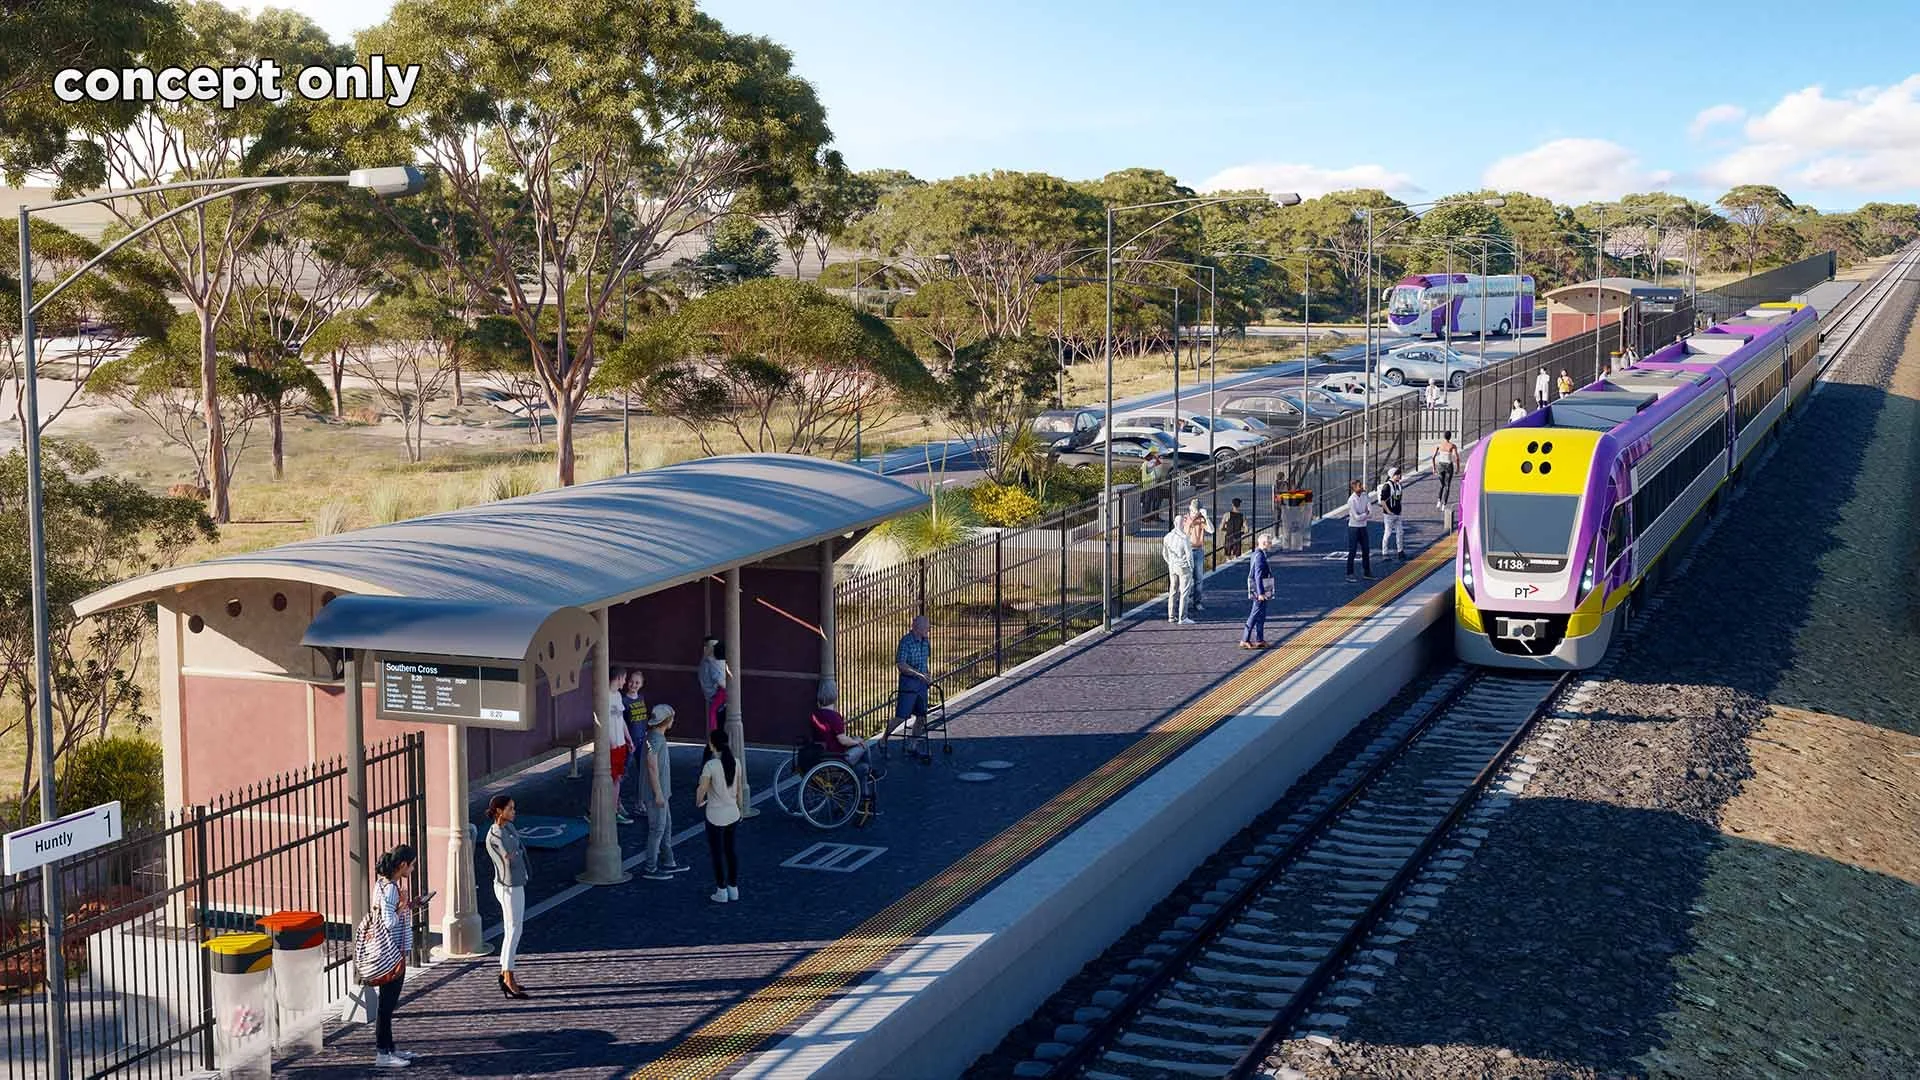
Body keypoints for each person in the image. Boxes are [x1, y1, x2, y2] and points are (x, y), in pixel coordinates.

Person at [370, 844, 425, 1068]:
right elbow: (389, 921)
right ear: (402, 865)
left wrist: (407, 904)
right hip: (391, 953)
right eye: (411, 866)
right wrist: (403, 905)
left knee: (387, 1004)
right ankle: (383, 1053)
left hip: (386, 951)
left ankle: (390, 1048)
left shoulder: (381, 884)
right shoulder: (391, 888)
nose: (412, 869)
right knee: (386, 1005)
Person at [484, 796, 530, 999]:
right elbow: (509, 856)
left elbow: (516, 852)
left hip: (516, 882)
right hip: (508, 886)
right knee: (513, 931)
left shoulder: (508, 829)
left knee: (513, 929)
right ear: (499, 811)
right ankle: (508, 976)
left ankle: (505, 972)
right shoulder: (495, 835)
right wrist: (514, 853)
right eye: (510, 809)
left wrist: (515, 853)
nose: (514, 812)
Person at [638, 704, 689, 881]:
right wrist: (658, 793)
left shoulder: (653, 737)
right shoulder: (656, 740)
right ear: (666, 721)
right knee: (657, 829)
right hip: (656, 794)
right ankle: (650, 868)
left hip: (661, 792)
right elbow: (652, 767)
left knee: (665, 826)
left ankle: (669, 861)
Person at [696, 727, 743, 904]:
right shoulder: (736, 762)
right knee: (731, 850)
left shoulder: (711, 765)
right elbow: (738, 790)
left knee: (717, 852)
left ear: (712, 745)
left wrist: (698, 801)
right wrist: (740, 809)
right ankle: (733, 887)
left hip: (715, 814)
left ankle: (721, 889)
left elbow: (702, 788)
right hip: (732, 812)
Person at [895, 615, 933, 744]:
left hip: (922, 684)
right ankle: (884, 739)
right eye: (926, 628)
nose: (928, 631)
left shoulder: (926, 642)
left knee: (921, 716)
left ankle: (913, 743)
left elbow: (925, 661)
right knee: (901, 716)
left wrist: (927, 675)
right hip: (909, 683)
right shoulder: (906, 642)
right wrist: (918, 674)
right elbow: (901, 665)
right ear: (917, 628)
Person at [602, 669, 633, 825]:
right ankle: (610, 811)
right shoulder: (605, 696)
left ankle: (613, 809)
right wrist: (612, 742)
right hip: (612, 745)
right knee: (612, 779)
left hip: (620, 744)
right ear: (618, 678)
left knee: (617, 778)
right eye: (624, 678)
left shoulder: (617, 696)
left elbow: (620, 720)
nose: (625, 682)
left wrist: (628, 739)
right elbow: (604, 723)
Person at [619, 670, 648, 817]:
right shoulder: (624, 701)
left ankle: (640, 802)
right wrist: (628, 740)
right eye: (631, 681)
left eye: (637, 682)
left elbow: (643, 720)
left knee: (643, 772)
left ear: (641, 685)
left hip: (641, 741)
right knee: (623, 772)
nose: (633, 685)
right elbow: (622, 723)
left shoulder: (641, 698)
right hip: (629, 742)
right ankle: (617, 801)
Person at [1241, 533, 1276, 650]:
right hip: (1259, 591)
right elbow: (1258, 575)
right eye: (1270, 542)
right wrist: (1261, 593)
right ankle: (1245, 639)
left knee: (1261, 615)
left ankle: (1259, 639)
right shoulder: (1260, 556)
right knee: (1255, 614)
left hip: (1259, 590)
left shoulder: (1257, 553)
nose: (1271, 544)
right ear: (1264, 543)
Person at [1181, 500, 1213, 611]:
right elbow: (1183, 532)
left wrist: (1206, 517)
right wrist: (1192, 520)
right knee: (1187, 578)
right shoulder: (1185, 518)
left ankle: (1197, 602)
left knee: (1198, 578)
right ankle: (1185, 600)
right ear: (1190, 509)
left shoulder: (1202, 519)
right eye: (1194, 510)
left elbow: (1211, 530)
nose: (1195, 512)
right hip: (1187, 550)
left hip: (1198, 550)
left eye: (1197, 510)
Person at [1162, 522, 1195, 624]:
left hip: (1173, 566)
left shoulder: (1167, 537)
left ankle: (1171, 616)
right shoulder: (1184, 538)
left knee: (1173, 591)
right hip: (1183, 567)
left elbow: (1164, 553)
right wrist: (1191, 567)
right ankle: (1183, 617)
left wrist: (1170, 562)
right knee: (1184, 592)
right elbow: (1189, 555)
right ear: (1181, 525)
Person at [698, 638, 729, 734]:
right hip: (716, 695)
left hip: (720, 695)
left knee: (715, 714)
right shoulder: (708, 660)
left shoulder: (714, 662)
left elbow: (721, 681)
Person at [1344, 479, 1373, 583]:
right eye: (1358, 486)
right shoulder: (1351, 500)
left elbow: (1371, 512)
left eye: (1361, 485)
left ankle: (1367, 572)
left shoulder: (1365, 496)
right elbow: (1356, 517)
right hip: (1354, 528)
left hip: (1363, 527)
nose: (1361, 487)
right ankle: (1349, 573)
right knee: (1352, 551)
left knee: (1366, 550)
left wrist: (1364, 515)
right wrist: (1365, 514)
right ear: (1354, 488)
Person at [1377, 467, 1406, 559]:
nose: (1399, 476)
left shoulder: (1398, 485)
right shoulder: (1387, 486)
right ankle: (1385, 552)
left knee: (1400, 532)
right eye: (1397, 474)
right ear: (1393, 475)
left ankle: (1400, 551)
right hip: (1389, 514)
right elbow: (1382, 501)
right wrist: (1389, 511)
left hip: (1397, 513)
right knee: (1388, 533)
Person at [1431, 431, 1460, 510]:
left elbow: (1433, 457)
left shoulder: (1439, 445)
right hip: (1448, 466)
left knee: (1441, 485)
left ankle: (1439, 501)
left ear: (1444, 436)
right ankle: (1444, 504)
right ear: (1450, 437)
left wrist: (1434, 468)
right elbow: (1457, 458)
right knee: (1447, 486)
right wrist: (1458, 468)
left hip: (1440, 466)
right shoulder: (1452, 446)